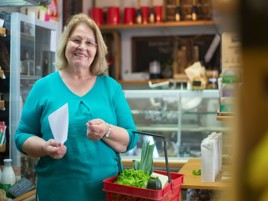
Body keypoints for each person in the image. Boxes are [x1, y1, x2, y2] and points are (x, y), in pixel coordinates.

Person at [14, 13, 138, 201]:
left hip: (105, 193)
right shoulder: (43, 87)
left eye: (89, 43)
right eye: (76, 40)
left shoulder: (111, 88)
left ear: (97, 50)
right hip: (56, 193)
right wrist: (45, 147)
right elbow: (21, 137)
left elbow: (131, 139)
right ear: (66, 44)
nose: (82, 47)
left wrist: (106, 130)